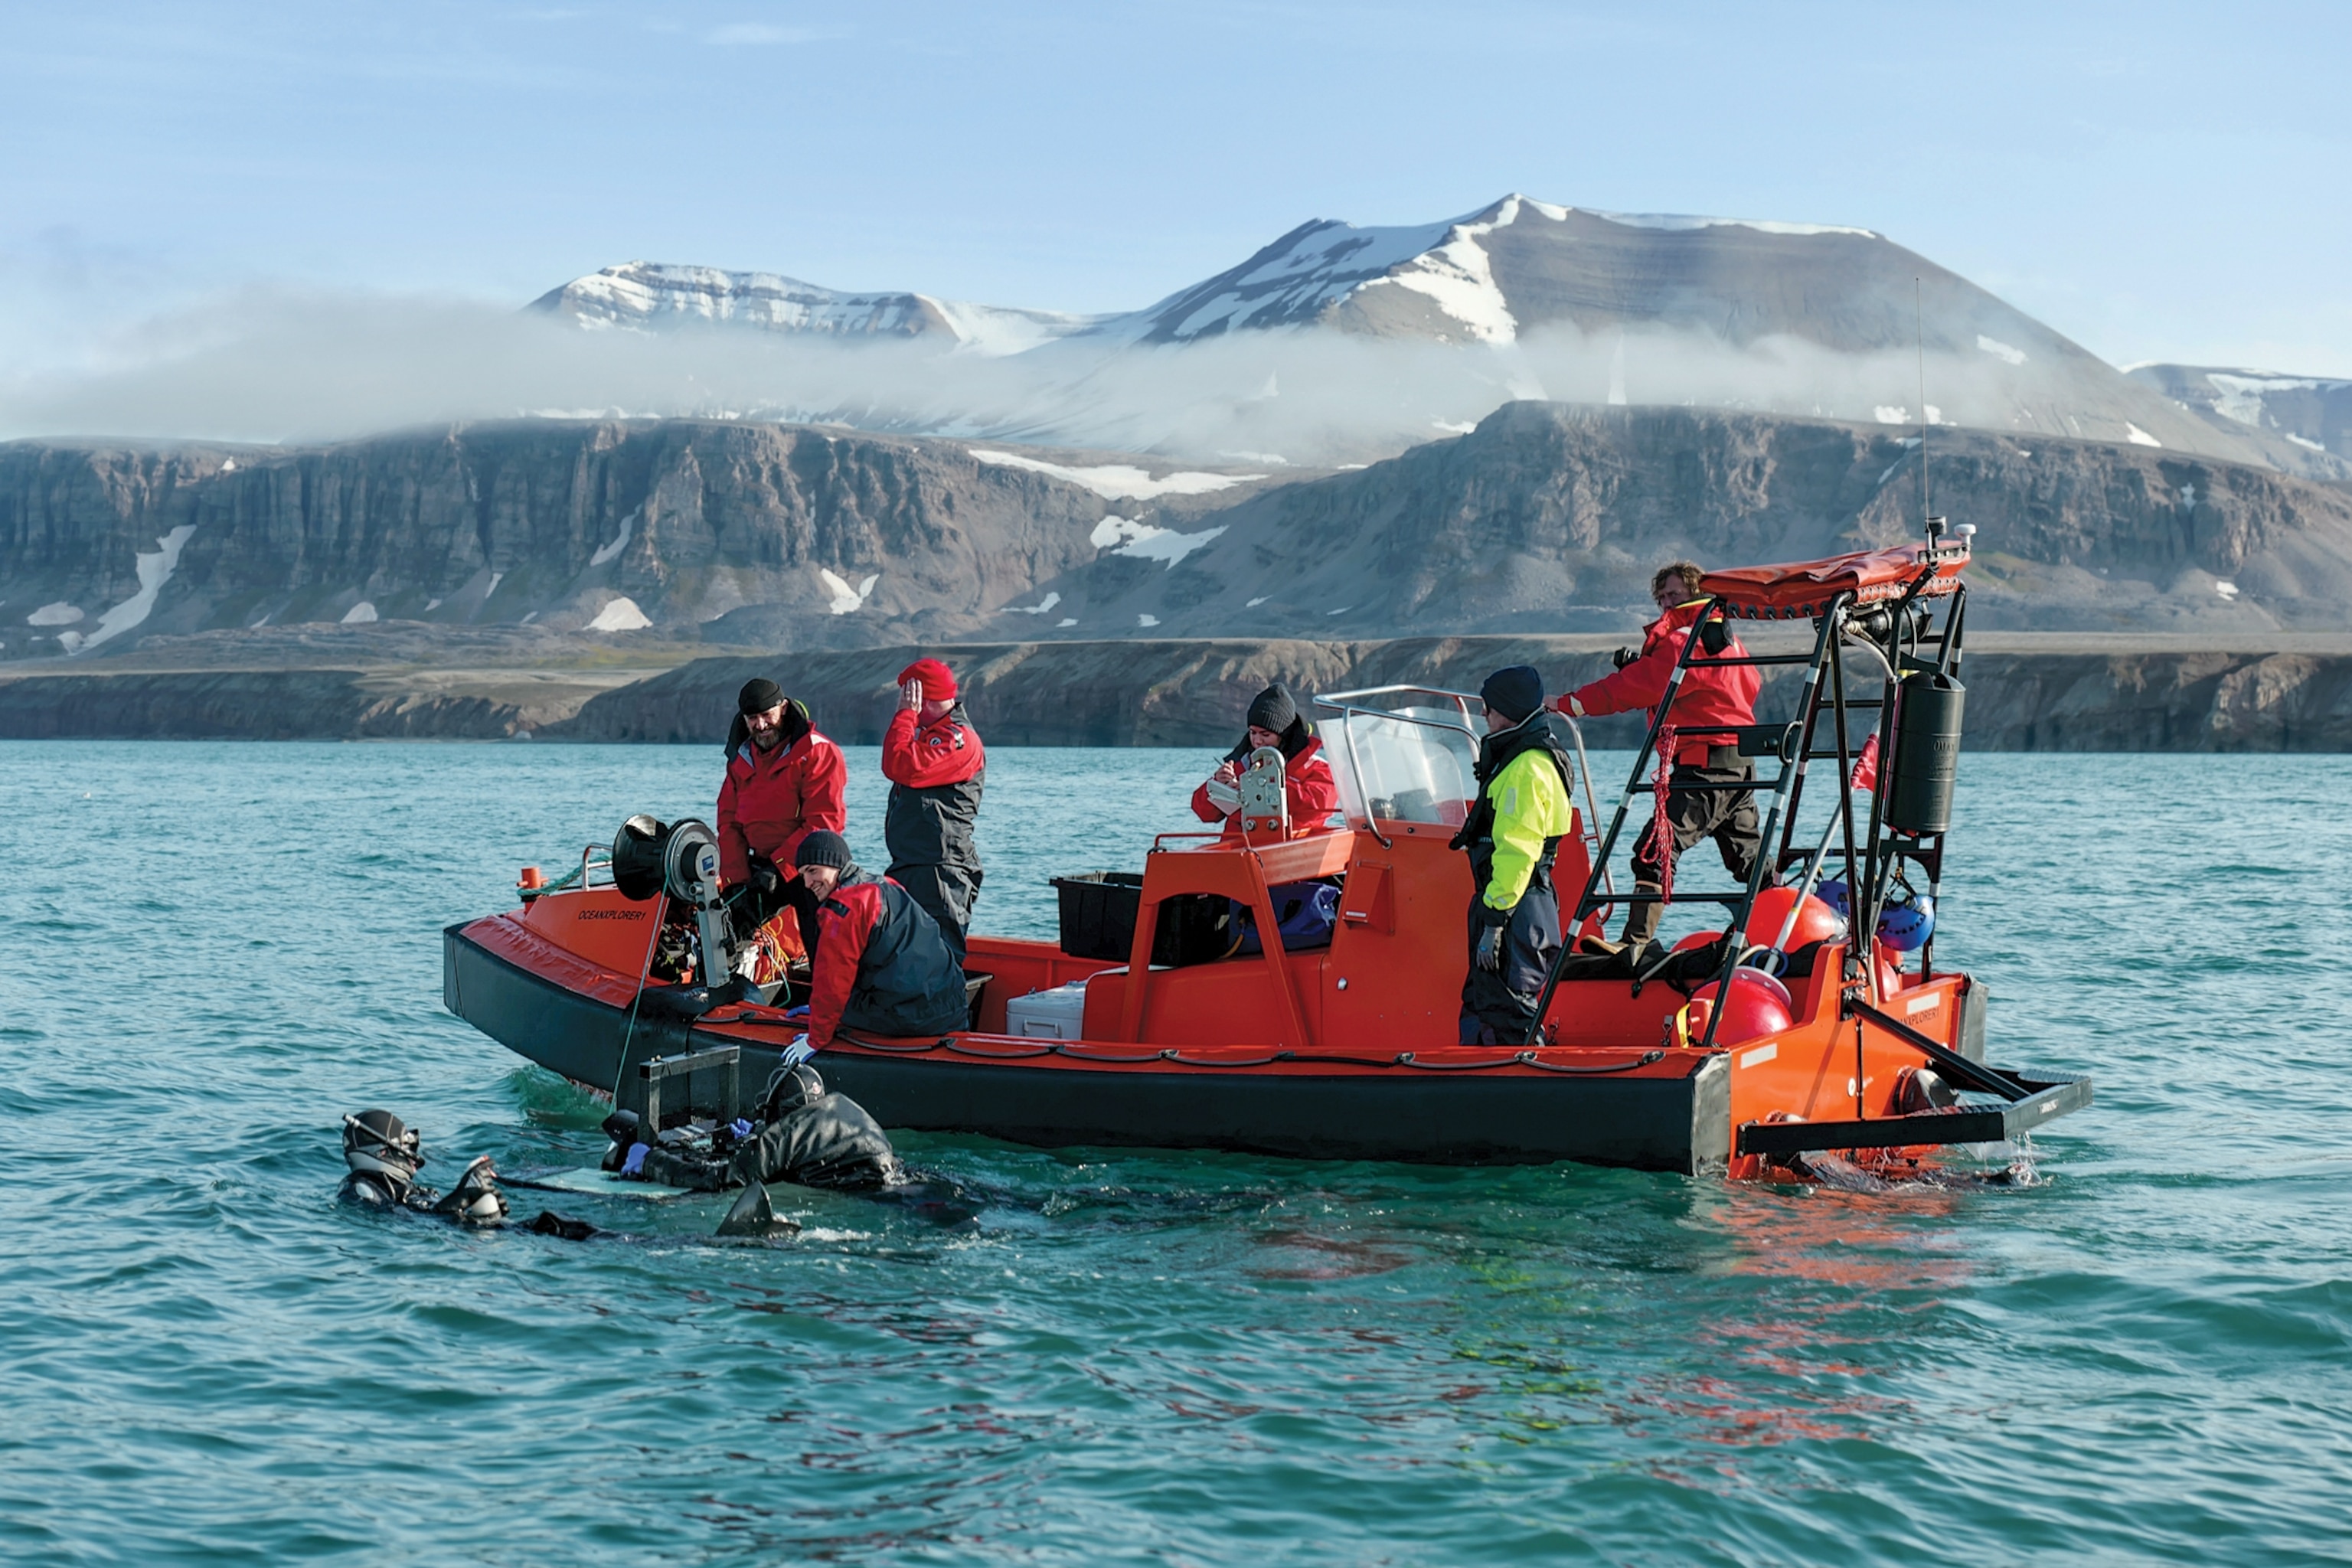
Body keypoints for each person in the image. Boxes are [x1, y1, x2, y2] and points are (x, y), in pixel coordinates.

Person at [1557, 560, 1762, 948]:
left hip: (1704, 765)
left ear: (1695, 593)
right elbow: (1749, 683)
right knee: (1749, 861)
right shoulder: (1728, 639)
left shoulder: (1687, 639)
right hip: (1738, 764)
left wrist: (1570, 704)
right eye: (1662, 596)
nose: (1666, 603)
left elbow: (1632, 689)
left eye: (1674, 595)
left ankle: (1634, 944)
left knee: (1655, 847)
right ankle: (1796, 920)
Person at [1451, 667, 1578, 1045]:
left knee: (1510, 1010)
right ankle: (1474, 1082)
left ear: (1506, 711)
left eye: (1488, 710)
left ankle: (1531, 1083)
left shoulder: (1525, 769)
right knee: (1483, 1002)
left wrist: (1494, 923)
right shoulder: (1532, 759)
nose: (1484, 717)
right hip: (1526, 903)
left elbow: (1517, 851)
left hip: (1515, 907)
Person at [793, 830, 972, 1048]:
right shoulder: (887, 886)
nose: (807, 883)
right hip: (953, 1007)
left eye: (813, 871)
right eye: (803, 875)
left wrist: (815, 1040)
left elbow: (831, 981)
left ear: (835, 864)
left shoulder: (845, 907)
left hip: (912, 1017)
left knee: (835, 1002)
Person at [717, 677, 848, 956]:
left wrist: (779, 868)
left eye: (767, 715)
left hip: (810, 866)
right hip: (760, 867)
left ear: (784, 708)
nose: (761, 725)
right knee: (724, 929)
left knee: (823, 945)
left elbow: (824, 822)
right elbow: (728, 822)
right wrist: (735, 881)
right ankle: (723, 992)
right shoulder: (740, 758)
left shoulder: (817, 751)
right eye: (753, 718)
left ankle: (830, 996)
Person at [880, 657, 985, 963]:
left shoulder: (957, 738)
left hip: (939, 867)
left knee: (939, 956)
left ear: (918, 698)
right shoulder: (929, 736)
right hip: (916, 863)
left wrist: (904, 716)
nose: (902, 703)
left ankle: (946, 1010)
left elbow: (899, 764)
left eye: (906, 696)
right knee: (907, 953)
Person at [1191, 683, 1341, 840]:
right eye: (1253, 733)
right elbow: (1203, 812)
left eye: (1265, 734)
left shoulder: (1316, 767)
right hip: (1239, 853)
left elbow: (1320, 803)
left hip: (1293, 850)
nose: (1257, 741)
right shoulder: (1241, 765)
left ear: (1284, 734)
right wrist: (1218, 783)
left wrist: (1257, 788)